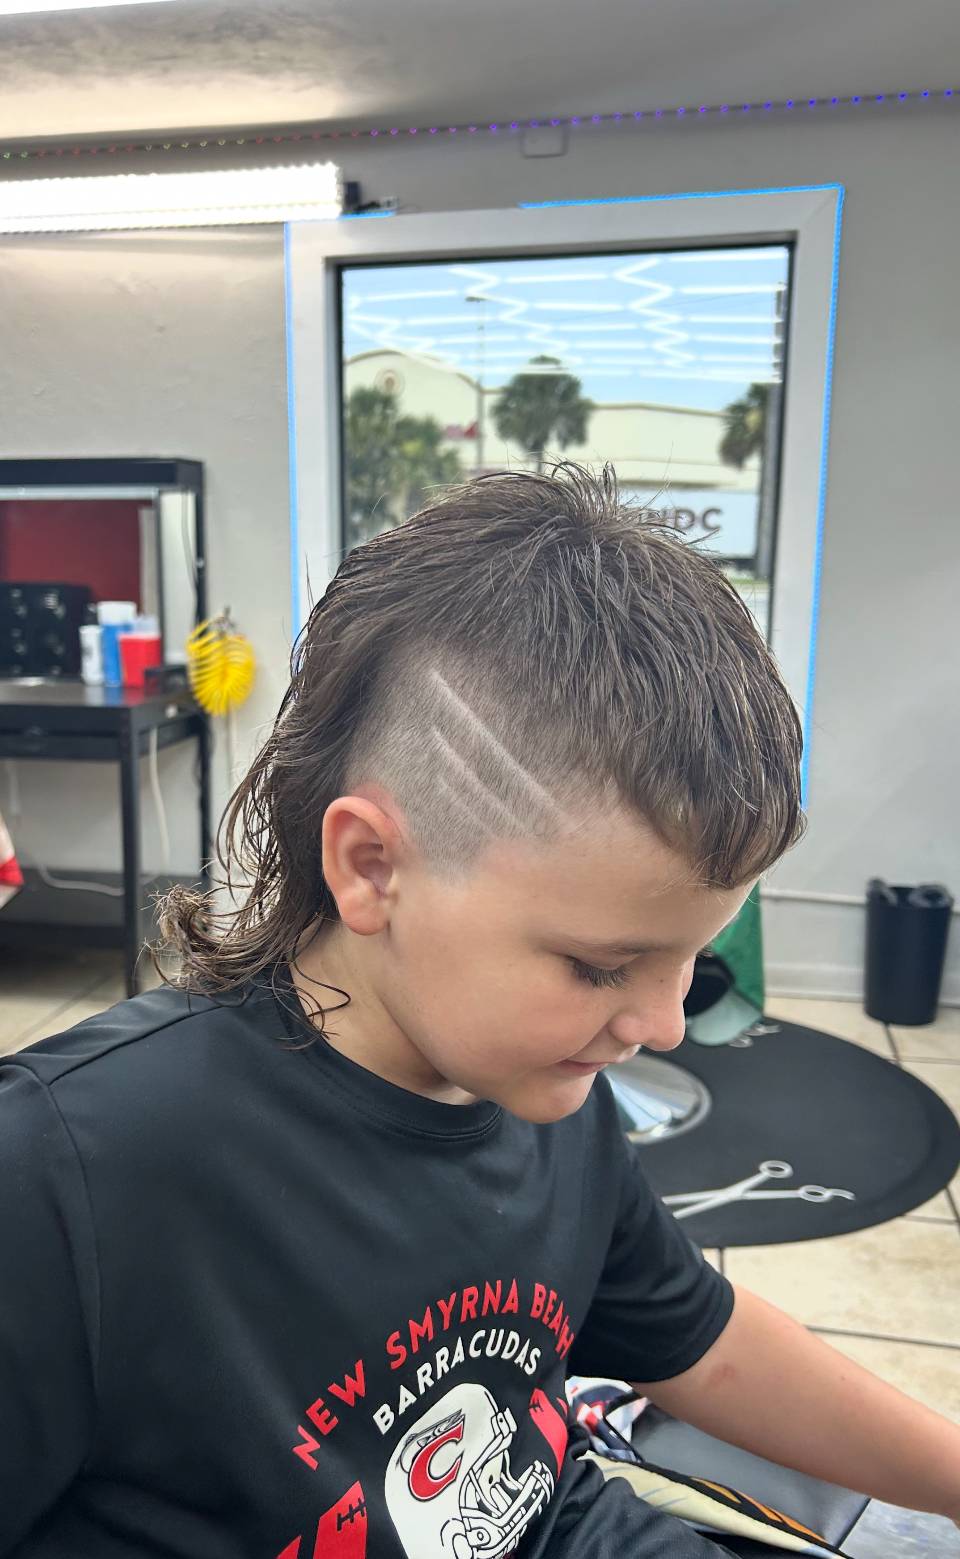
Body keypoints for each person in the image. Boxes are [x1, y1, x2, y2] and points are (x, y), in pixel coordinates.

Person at [1, 463, 957, 1559]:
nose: (663, 1024)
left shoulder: (545, 1091)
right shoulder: (66, 1173)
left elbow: (700, 1340)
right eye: (601, 966)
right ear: (372, 866)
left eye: (691, 959)